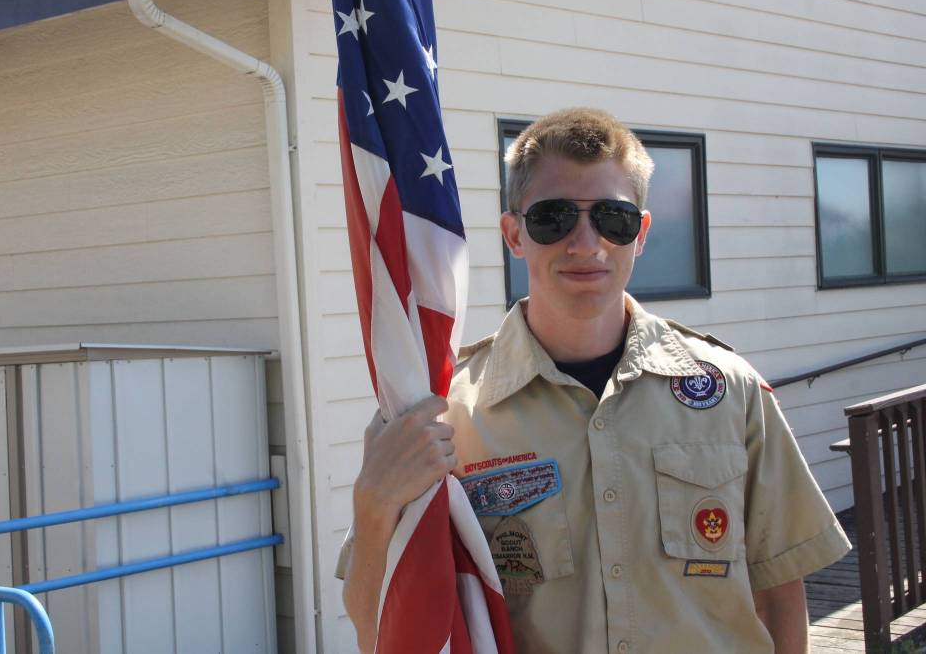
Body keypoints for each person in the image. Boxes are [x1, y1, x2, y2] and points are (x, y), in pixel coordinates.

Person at [338, 108, 851, 653]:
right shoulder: (449, 412)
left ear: (642, 233)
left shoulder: (730, 391)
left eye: (613, 218)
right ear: (514, 234)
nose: (586, 244)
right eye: (554, 218)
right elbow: (380, 623)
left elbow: (779, 590)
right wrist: (374, 507)